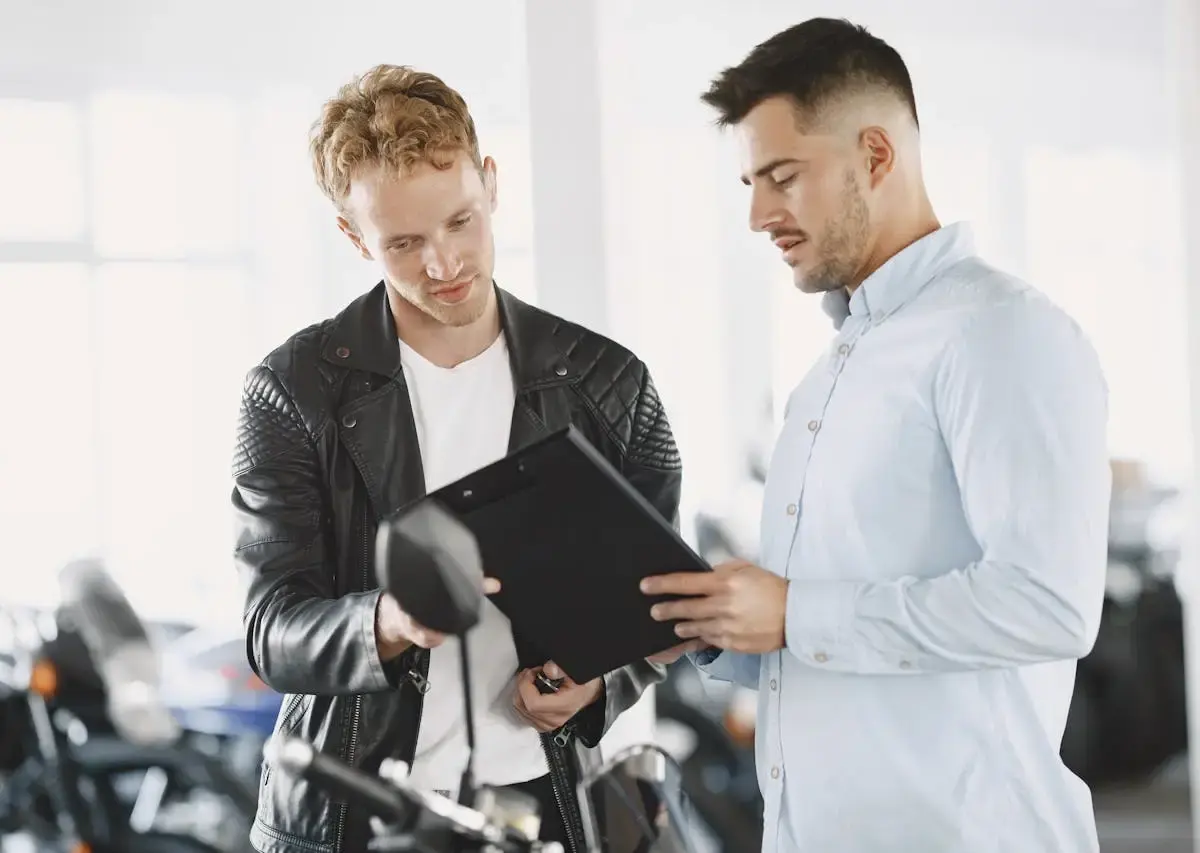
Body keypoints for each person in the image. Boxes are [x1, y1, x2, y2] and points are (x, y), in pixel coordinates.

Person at [642, 18, 1111, 853]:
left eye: (782, 176)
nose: (757, 214)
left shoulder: (1001, 332)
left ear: (877, 156)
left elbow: (1048, 604)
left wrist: (794, 612)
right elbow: (833, 639)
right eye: (751, 181)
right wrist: (724, 625)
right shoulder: (829, 371)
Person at [232, 64, 682, 853]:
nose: (443, 265)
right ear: (351, 234)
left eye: (460, 222)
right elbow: (271, 630)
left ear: (492, 183)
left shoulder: (610, 382)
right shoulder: (291, 390)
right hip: (352, 816)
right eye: (402, 242)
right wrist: (391, 619)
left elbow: (661, 602)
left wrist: (597, 682)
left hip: (541, 806)